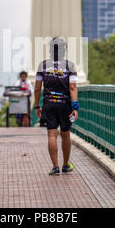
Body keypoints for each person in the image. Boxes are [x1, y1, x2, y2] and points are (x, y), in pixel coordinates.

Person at [34, 37, 79, 175]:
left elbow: (37, 88)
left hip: (49, 103)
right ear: (64, 50)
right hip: (64, 104)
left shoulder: (43, 65)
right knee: (65, 135)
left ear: (50, 50)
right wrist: (75, 107)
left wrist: (37, 106)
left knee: (52, 135)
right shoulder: (70, 66)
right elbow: (72, 87)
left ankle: (55, 166)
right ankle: (66, 165)